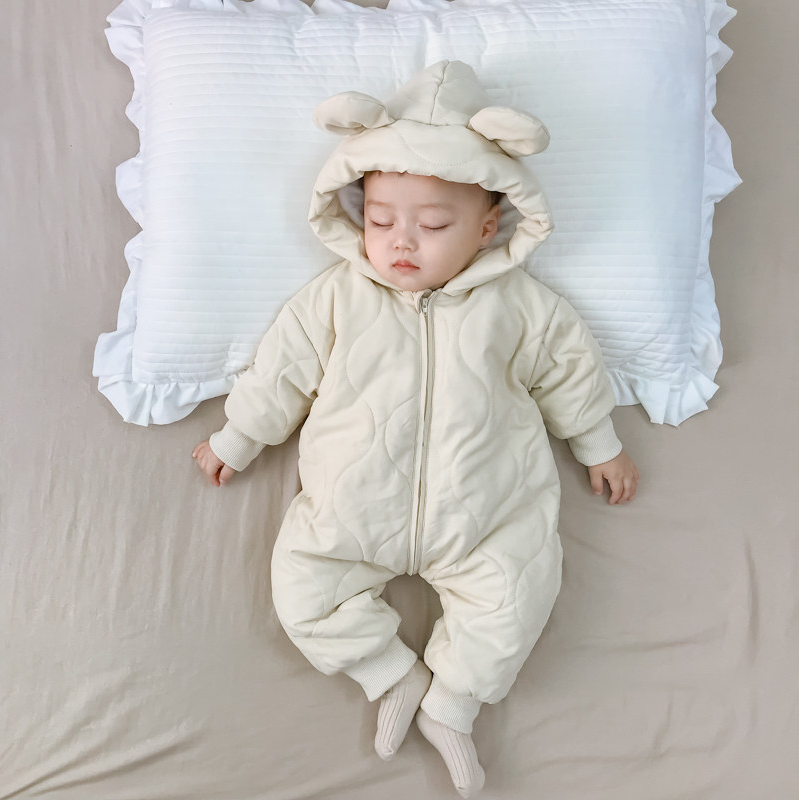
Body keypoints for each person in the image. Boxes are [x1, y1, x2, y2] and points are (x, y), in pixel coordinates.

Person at [192, 61, 638, 798]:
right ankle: (392, 674)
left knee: (519, 595)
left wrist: (599, 445)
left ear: (488, 227)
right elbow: (282, 372)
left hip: (486, 512)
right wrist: (239, 437)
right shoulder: (335, 299)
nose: (402, 242)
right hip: (353, 506)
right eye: (380, 221)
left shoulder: (522, 306)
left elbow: (570, 372)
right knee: (301, 585)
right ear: (355, 214)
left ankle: (452, 705)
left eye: (433, 226)